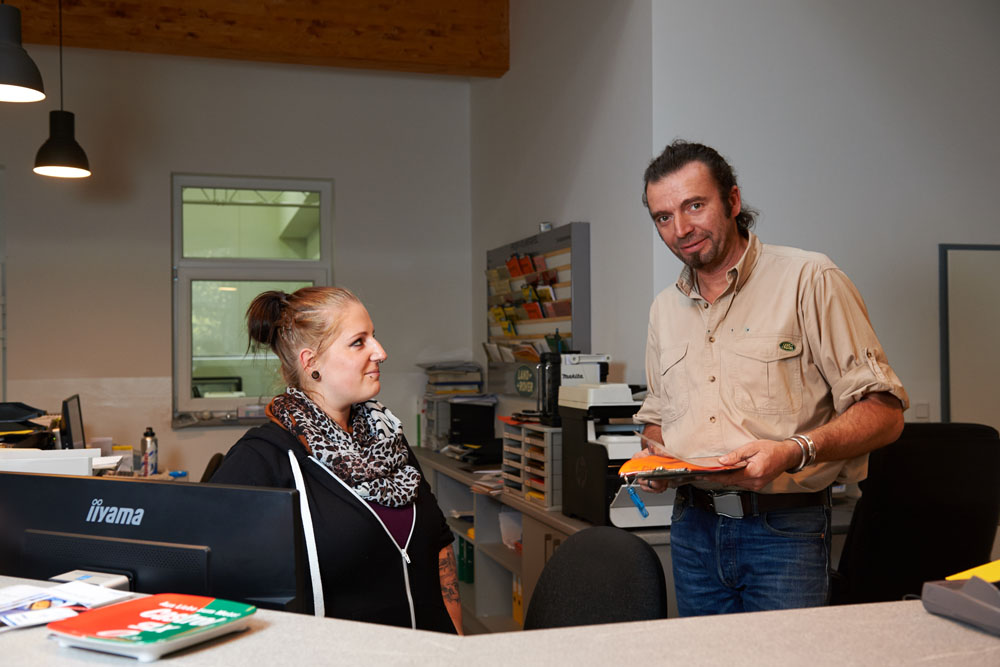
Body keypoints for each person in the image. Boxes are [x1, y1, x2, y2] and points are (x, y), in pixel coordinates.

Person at [632, 140, 908, 616]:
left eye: (694, 206)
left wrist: (793, 451)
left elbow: (885, 414)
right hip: (692, 529)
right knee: (705, 654)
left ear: (733, 201)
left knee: (786, 654)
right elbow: (658, 416)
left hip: (782, 531)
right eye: (663, 217)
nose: (680, 229)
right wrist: (656, 456)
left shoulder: (809, 278)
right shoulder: (664, 309)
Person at [210, 286, 461, 633]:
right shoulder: (265, 456)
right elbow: (212, 574)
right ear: (311, 362)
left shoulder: (386, 437)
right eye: (358, 342)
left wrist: (456, 641)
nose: (380, 352)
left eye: (373, 337)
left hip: (434, 651)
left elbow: (439, 543)